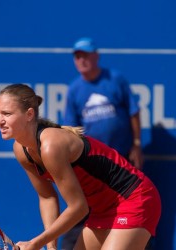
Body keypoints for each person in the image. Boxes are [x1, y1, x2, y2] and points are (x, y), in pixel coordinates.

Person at [0, 83, 161, 250]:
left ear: (29, 114)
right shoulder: (21, 150)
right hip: (101, 209)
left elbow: (78, 207)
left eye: (7, 114)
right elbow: (47, 197)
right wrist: (50, 246)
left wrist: (36, 243)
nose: (0, 121)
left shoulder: (51, 146)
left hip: (133, 198)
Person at [62, 37, 144, 249]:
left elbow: (133, 112)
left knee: (131, 210)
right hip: (91, 165)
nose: (82, 60)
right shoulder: (74, 90)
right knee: (85, 211)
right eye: (77, 56)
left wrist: (136, 143)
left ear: (96, 56)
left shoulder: (115, 80)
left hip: (121, 162)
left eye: (86, 55)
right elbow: (71, 130)